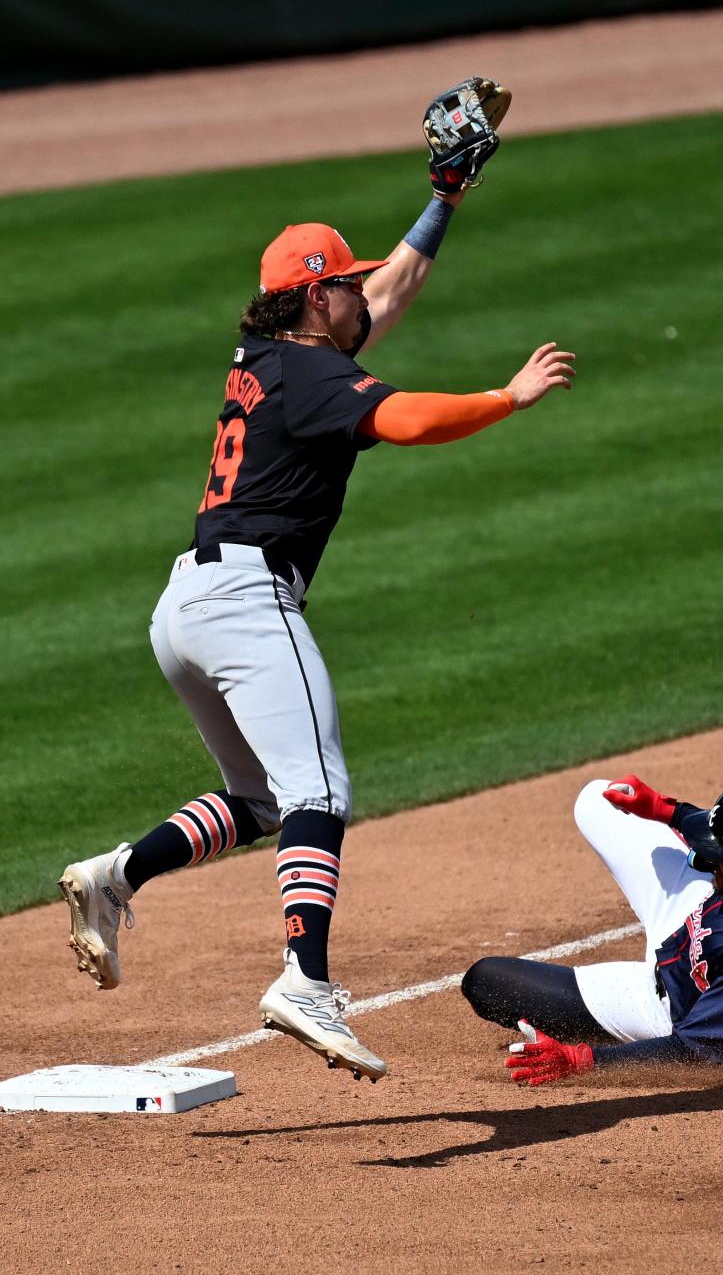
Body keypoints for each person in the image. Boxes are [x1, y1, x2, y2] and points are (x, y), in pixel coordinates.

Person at [59, 105, 575, 1085]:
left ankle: (114, 876)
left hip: (185, 608)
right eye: (341, 285)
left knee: (260, 799)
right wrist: (506, 398)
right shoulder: (311, 379)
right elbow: (411, 420)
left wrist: (446, 196)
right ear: (312, 300)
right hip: (249, 603)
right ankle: (303, 977)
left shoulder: (271, 359)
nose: (359, 297)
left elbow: (393, 285)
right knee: (321, 791)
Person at [461, 775, 723, 1085]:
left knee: (486, 983)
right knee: (596, 799)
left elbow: (696, 1048)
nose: (707, 860)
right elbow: (720, 833)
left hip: (666, 1005)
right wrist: (664, 809)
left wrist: (580, 1058)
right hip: (691, 919)